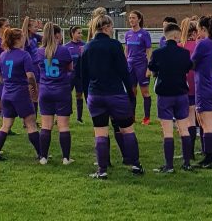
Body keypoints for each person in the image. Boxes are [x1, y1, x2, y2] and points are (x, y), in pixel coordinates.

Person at [80, 14, 144, 179]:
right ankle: (136, 164)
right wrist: (131, 95)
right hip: (115, 94)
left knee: (100, 133)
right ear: (107, 27)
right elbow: (124, 72)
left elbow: (83, 76)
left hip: (96, 94)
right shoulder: (115, 45)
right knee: (127, 129)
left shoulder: (87, 47)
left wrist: (88, 96)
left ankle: (102, 170)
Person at [148, 22, 194, 173]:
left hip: (164, 94)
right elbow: (188, 67)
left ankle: (169, 165)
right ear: (176, 35)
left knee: (167, 131)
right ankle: (187, 163)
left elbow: (152, 69)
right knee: (184, 128)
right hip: (181, 93)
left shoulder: (158, 53)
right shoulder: (184, 53)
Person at [0, 28, 41, 161]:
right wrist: (34, 90)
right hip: (21, 94)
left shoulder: (2, 55)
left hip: (6, 94)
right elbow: (30, 76)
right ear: (18, 39)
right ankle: (41, 154)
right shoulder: (24, 55)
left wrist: (8, 83)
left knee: (6, 125)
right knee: (31, 124)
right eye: (23, 37)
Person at [37, 23, 75, 165]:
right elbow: (70, 68)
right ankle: (66, 158)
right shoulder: (64, 50)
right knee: (63, 125)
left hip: (45, 90)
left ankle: (43, 157)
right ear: (57, 35)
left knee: (46, 125)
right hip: (62, 90)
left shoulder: (40, 51)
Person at [191, 15, 212, 168]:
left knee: (206, 124)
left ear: (203, 29)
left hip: (204, 87)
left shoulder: (204, 43)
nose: (197, 33)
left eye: (198, 30)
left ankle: (209, 158)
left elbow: (192, 63)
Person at [125, 11, 153, 125]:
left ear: (139, 19)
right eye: (130, 18)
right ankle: (132, 116)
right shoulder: (128, 34)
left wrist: (148, 68)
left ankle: (147, 117)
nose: (131, 20)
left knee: (145, 92)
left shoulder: (144, 34)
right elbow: (126, 50)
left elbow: (149, 51)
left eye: (133, 18)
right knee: (132, 92)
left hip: (141, 65)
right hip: (130, 65)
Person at [179, 18, 198, 158]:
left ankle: (188, 152)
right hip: (199, 85)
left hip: (184, 85)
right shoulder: (200, 45)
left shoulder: (180, 46)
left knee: (186, 120)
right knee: (200, 119)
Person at [64, 26, 85, 123]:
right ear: (73, 34)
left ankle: (79, 118)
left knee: (79, 95)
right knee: (66, 95)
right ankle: (65, 115)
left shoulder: (85, 45)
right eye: (78, 33)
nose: (81, 35)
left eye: (81, 33)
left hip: (80, 76)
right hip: (69, 76)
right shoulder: (66, 47)